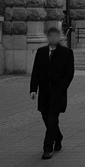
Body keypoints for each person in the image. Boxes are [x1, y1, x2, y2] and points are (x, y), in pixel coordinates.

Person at [29, 26, 75, 159]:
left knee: (52, 117)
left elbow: (69, 72)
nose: (53, 38)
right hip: (44, 91)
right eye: (51, 36)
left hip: (57, 92)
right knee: (45, 116)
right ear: (48, 37)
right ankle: (58, 136)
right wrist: (33, 89)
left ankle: (47, 147)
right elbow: (35, 72)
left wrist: (62, 87)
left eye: (56, 36)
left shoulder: (66, 52)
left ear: (59, 37)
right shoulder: (41, 52)